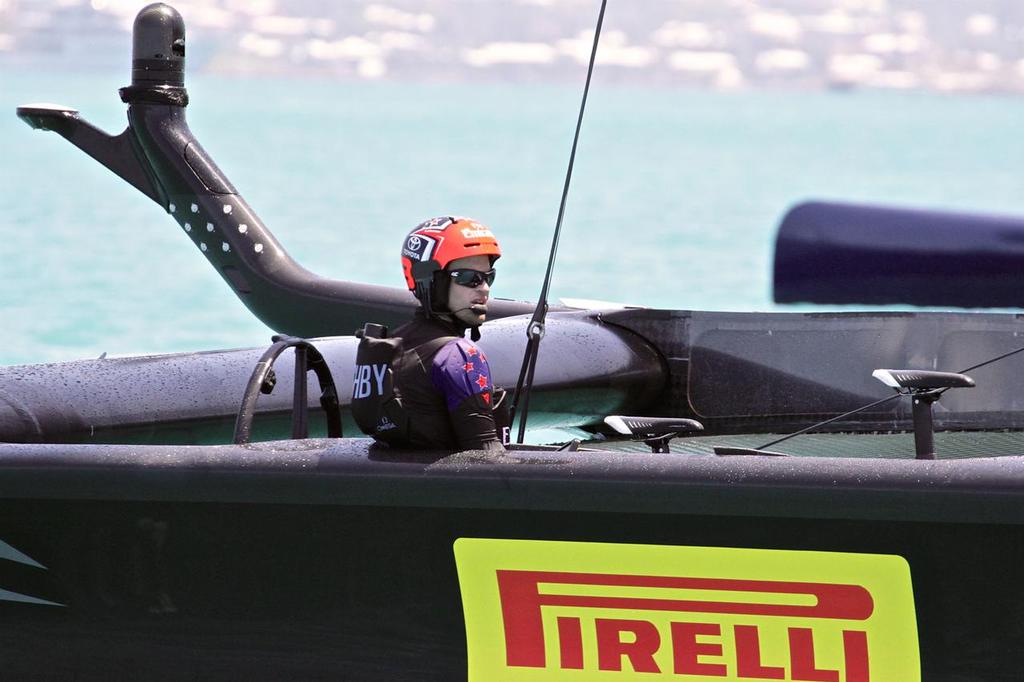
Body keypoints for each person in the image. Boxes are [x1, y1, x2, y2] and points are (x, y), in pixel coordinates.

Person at [351, 216, 507, 451]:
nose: (484, 289)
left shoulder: (388, 349)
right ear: (433, 281)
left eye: (488, 278)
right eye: (469, 278)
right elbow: (487, 458)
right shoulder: (461, 355)